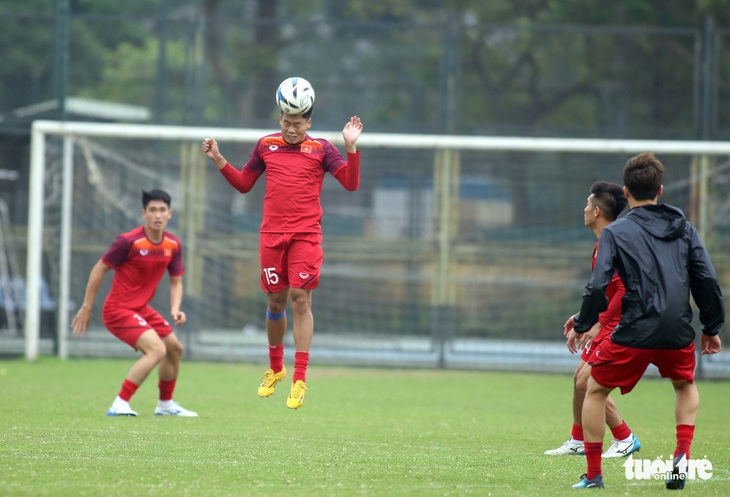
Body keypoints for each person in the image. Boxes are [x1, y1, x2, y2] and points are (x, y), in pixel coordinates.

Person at [201, 88, 363, 410]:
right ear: (280, 118)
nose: (291, 129)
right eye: (286, 121)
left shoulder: (322, 149)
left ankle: (300, 379)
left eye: (298, 124)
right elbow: (245, 184)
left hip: (306, 235)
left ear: (308, 122)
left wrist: (351, 147)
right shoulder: (265, 145)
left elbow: (351, 183)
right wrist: (219, 159)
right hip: (271, 236)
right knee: (275, 302)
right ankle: (275, 368)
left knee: (300, 299)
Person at [570, 152, 723, 490]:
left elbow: (598, 285)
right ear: (661, 189)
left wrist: (584, 322)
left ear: (627, 192)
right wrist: (711, 327)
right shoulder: (684, 227)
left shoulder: (616, 232)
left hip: (635, 328)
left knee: (593, 389)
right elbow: (707, 280)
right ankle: (681, 456)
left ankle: (594, 475)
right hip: (677, 329)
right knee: (684, 386)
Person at [71, 189, 197, 417]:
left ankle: (165, 405)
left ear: (170, 214)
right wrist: (86, 307)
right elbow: (99, 269)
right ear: (144, 213)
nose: (157, 215)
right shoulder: (129, 242)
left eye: (162, 210)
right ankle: (119, 403)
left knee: (174, 348)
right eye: (152, 210)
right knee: (157, 349)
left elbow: (176, 282)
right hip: (118, 310)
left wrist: (175, 308)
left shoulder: (173, 245)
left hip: (141, 309)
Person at [546, 181, 640, 458]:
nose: (584, 209)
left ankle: (625, 437)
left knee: (589, 382)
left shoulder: (613, 242)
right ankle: (577, 439)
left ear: (597, 211)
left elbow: (624, 290)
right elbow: (605, 291)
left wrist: (598, 323)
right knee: (579, 380)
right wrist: (581, 318)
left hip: (619, 324)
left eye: (587, 205)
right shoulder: (605, 241)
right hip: (607, 320)